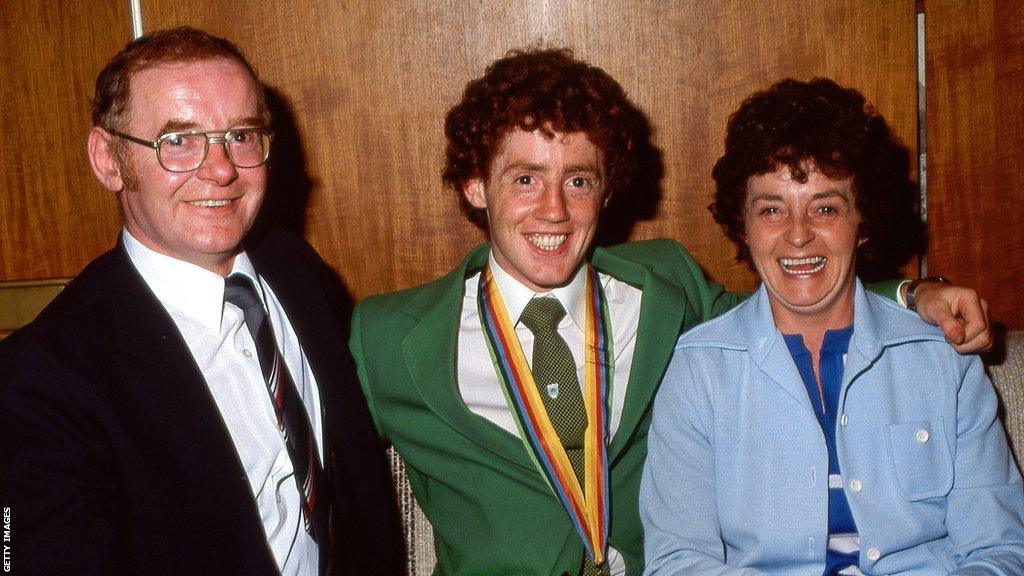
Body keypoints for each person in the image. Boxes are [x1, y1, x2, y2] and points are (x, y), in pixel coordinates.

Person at [350, 49, 993, 576]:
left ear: (607, 189)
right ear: (473, 185)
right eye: (524, 179)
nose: (554, 210)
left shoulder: (665, 287)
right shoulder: (390, 338)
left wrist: (912, 296)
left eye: (578, 179)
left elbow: (784, 304)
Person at [0, 27, 401, 576]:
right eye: (179, 141)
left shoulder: (296, 272)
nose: (222, 169)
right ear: (109, 160)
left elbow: (357, 500)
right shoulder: (44, 378)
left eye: (240, 135)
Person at [640, 77, 1024, 575]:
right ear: (744, 224)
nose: (798, 236)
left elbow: (999, 551)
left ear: (862, 221)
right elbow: (677, 562)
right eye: (772, 209)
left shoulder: (943, 360)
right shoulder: (698, 372)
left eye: (825, 207)